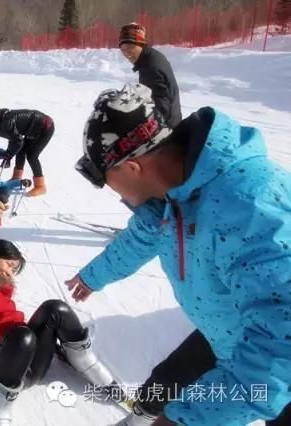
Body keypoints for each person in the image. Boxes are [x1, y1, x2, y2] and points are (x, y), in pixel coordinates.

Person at [71, 83, 291, 426]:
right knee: (165, 381)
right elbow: (138, 240)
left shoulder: (249, 204)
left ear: (132, 168)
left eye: (108, 181)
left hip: (273, 366)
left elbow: (281, 347)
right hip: (228, 333)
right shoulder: (169, 198)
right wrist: (92, 277)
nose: (116, 195)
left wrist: (184, 421)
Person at [0, 199, 118, 425]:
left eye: (14, 267)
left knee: (54, 308)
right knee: (23, 336)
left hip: (29, 364)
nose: (11, 270)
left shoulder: (1, 290)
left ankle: (82, 359)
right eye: (9, 263)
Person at [0, 107, 54, 197]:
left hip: (45, 128)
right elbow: (13, 138)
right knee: (20, 151)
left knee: (32, 156)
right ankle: (17, 177)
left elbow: (18, 141)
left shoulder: (2, 125)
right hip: (34, 128)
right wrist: (9, 153)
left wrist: (9, 154)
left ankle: (40, 186)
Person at [119, 23, 182, 128]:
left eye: (131, 46)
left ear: (141, 44)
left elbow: (162, 109)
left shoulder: (150, 68)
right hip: (171, 122)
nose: (127, 53)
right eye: (123, 49)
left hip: (167, 131)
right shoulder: (150, 58)